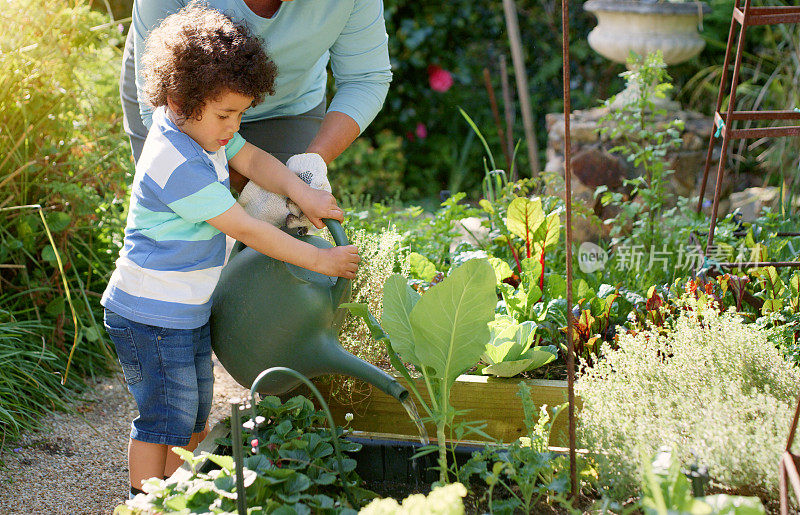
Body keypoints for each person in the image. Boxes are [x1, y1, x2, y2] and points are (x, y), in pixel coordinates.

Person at [102, 4, 360, 499]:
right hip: (149, 315)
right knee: (164, 417)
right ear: (179, 97)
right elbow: (248, 228)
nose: (233, 127)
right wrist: (320, 261)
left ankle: (181, 491)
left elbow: (255, 158)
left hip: (184, 310)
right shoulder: (175, 160)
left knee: (196, 410)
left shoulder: (202, 131)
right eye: (226, 115)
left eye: (239, 114)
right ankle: (146, 503)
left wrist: (301, 190)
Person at [120, 0, 393, 194]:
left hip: (287, 109)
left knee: (280, 248)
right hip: (182, 109)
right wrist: (255, 191)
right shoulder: (173, 101)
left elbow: (365, 79)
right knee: (188, 241)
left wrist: (309, 166)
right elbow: (161, 107)